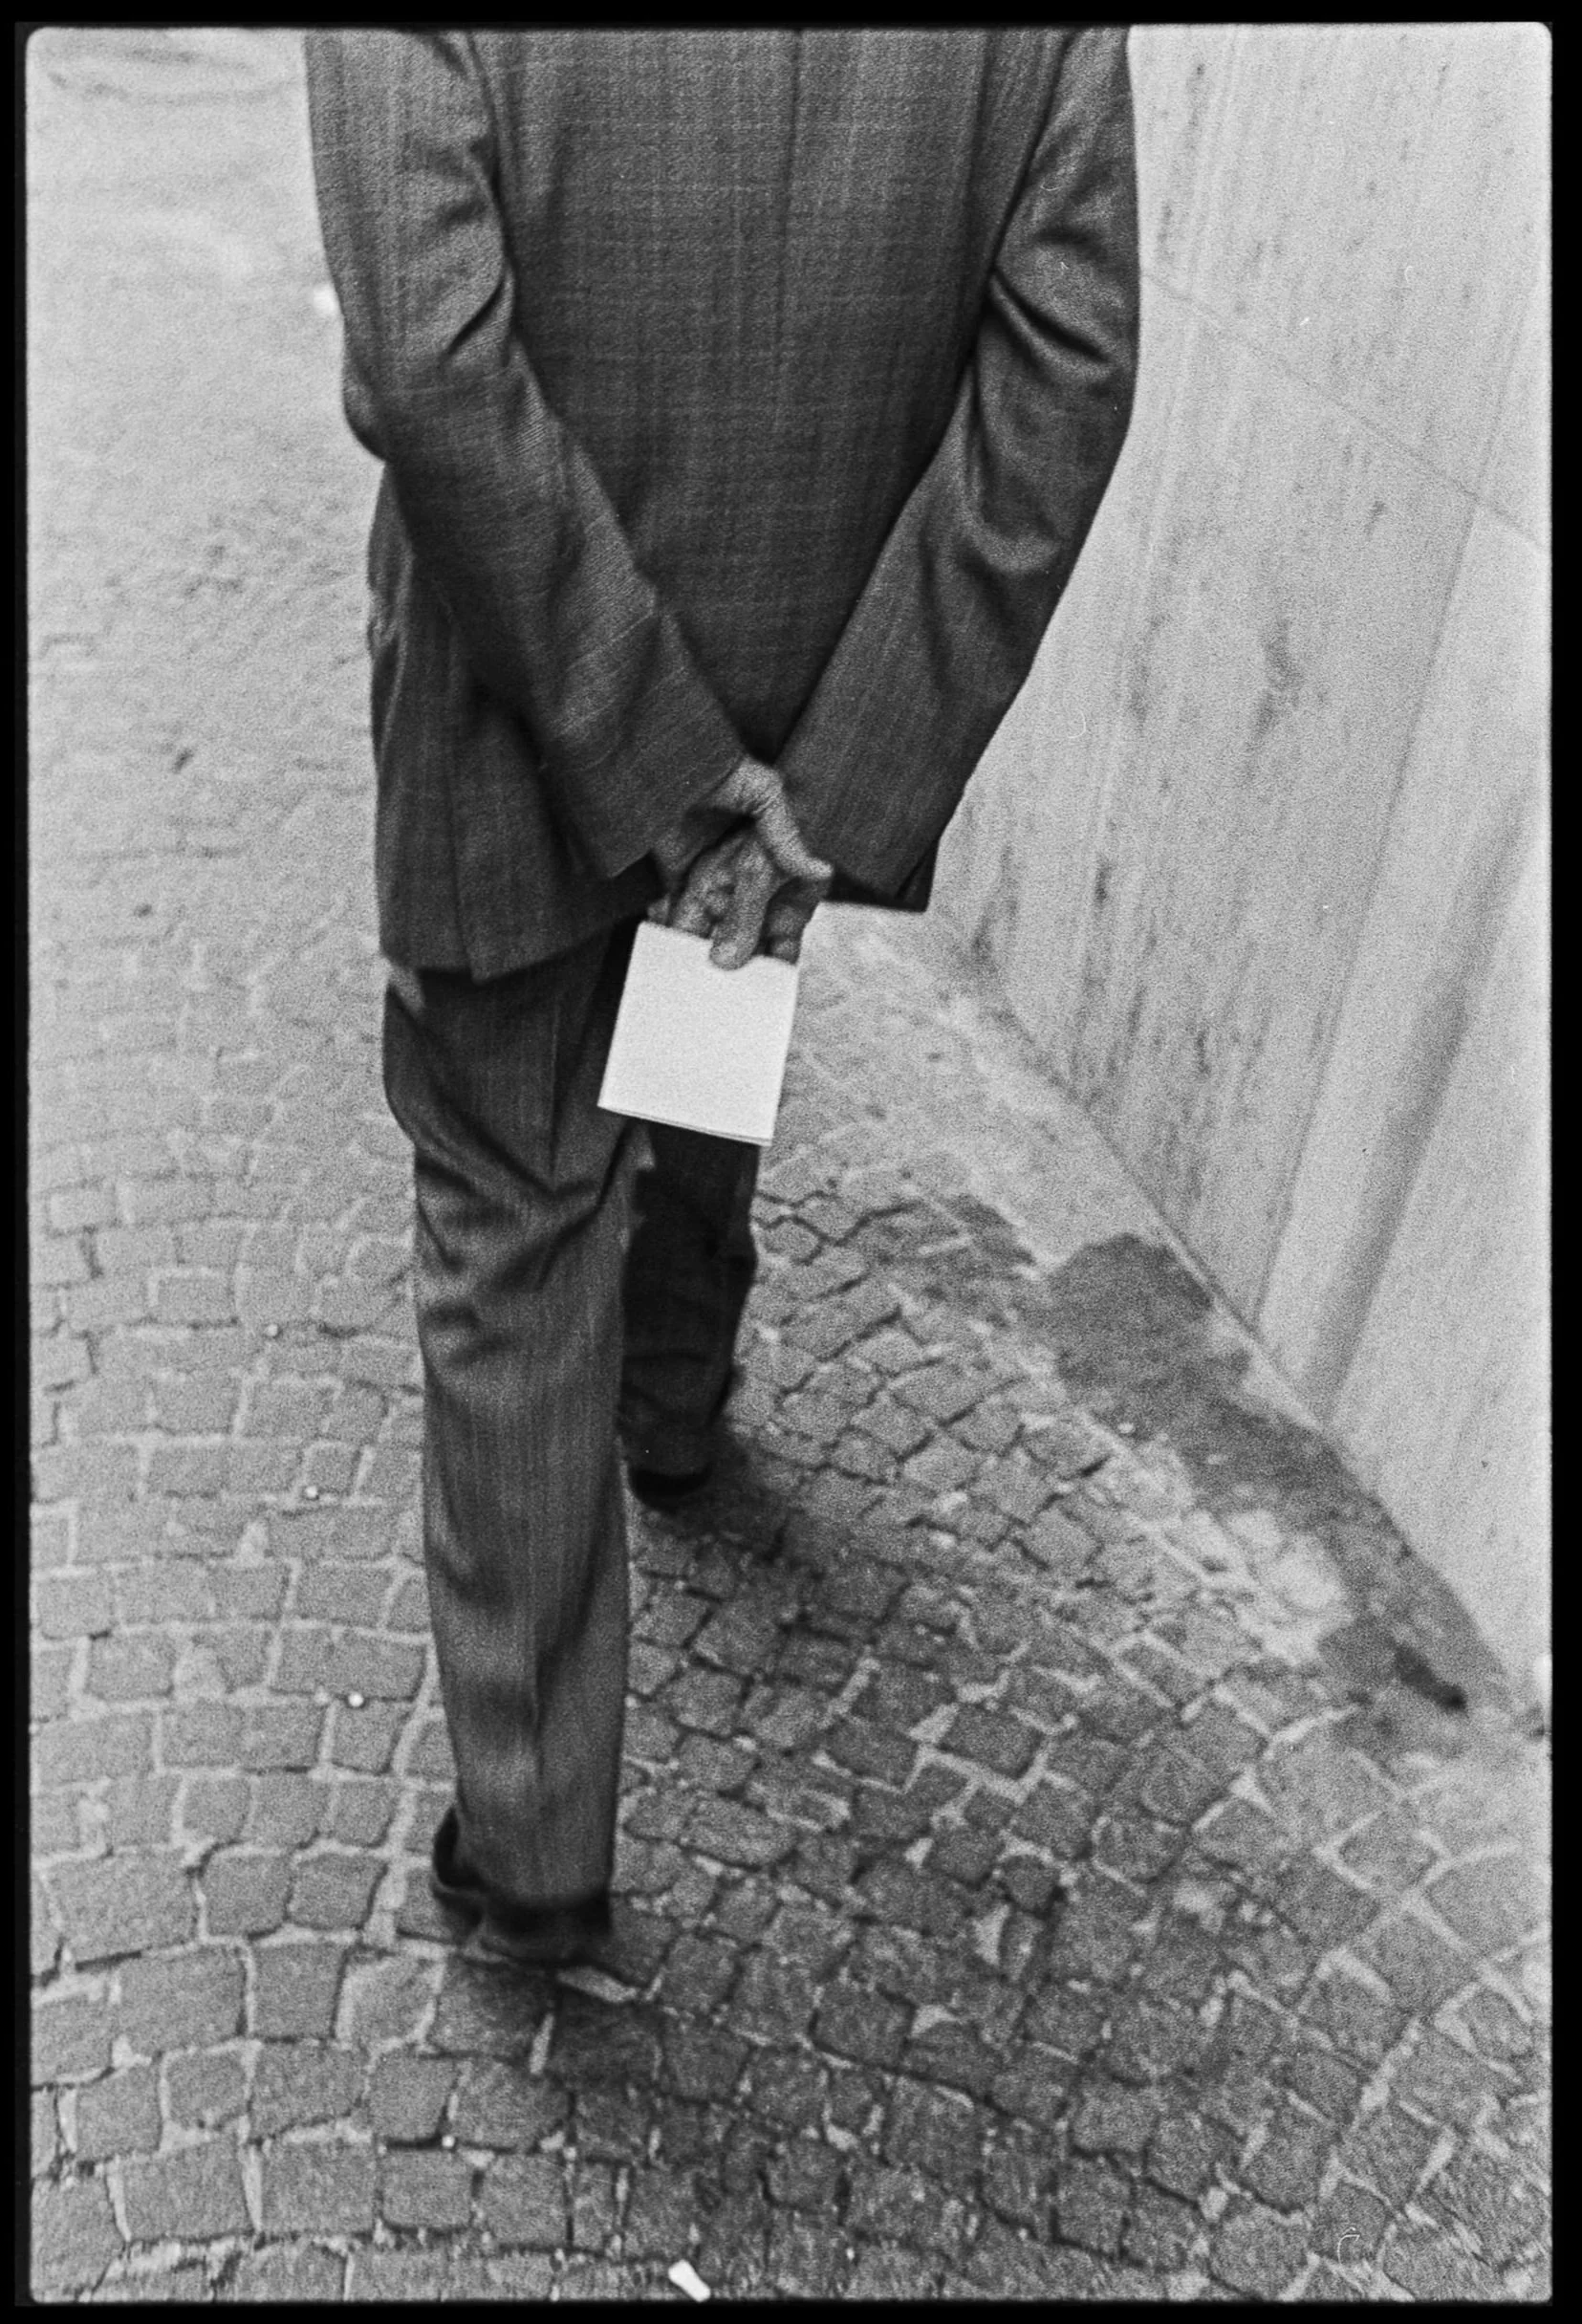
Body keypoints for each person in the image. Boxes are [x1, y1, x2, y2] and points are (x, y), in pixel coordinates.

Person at [304, 29, 1139, 1964]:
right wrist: (824, 782)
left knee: (513, 1218)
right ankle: (674, 1397)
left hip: (511, 694)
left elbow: (424, 365)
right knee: (713, 993)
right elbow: (1064, 372)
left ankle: (532, 1844)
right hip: (811, 664)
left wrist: (661, 766)